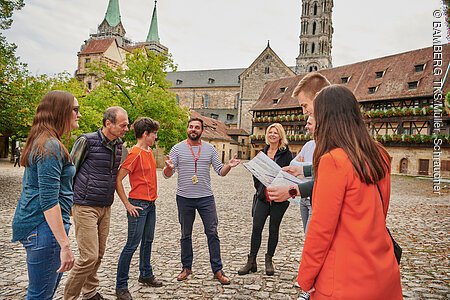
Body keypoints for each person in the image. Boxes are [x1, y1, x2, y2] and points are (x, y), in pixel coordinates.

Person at [300, 85, 403, 298]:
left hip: (345, 277)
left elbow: (321, 230)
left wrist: (306, 277)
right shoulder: (380, 154)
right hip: (381, 269)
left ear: (326, 118)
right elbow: (380, 212)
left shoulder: (333, 161)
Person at [12, 90, 80, 299]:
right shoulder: (50, 146)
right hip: (43, 228)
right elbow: (49, 201)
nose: (79, 114)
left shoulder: (46, 141)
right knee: (40, 295)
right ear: (61, 111)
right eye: (75, 110)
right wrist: (64, 244)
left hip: (40, 227)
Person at [163, 117, 240, 285]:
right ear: (187, 129)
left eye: (197, 127)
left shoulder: (210, 149)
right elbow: (167, 174)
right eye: (190, 127)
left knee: (212, 232)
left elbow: (221, 171)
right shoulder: (177, 149)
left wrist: (230, 165)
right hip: (184, 198)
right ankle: (186, 267)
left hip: (205, 198)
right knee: (185, 234)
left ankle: (217, 270)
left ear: (202, 130)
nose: (193, 129)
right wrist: (168, 168)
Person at [64, 106, 129, 300]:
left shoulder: (119, 146)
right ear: (108, 123)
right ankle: (69, 297)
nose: (127, 128)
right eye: (123, 125)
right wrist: (68, 203)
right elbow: (69, 172)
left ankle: (90, 293)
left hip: (105, 206)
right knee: (88, 257)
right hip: (84, 205)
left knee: (98, 254)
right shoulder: (86, 141)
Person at [115, 117, 162, 300]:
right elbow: (118, 179)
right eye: (154, 134)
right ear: (145, 134)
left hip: (151, 204)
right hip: (139, 205)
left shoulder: (149, 151)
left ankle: (145, 274)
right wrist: (127, 204)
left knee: (148, 240)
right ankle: (121, 286)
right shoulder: (134, 154)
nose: (155, 137)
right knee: (131, 245)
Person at [238, 123, 293, 276]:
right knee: (256, 228)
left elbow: (289, 176)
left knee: (273, 229)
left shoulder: (287, 154)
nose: (272, 135)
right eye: (270, 132)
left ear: (280, 136)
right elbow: (255, 174)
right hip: (263, 198)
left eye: (275, 133)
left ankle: (269, 260)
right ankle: (251, 261)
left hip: (279, 199)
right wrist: (260, 190)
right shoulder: (262, 153)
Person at [290, 116, 316, 233]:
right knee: (306, 236)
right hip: (303, 199)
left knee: (309, 236)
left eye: (309, 124)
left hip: (313, 197)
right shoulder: (308, 145)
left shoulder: (326, 146)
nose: (306, 127)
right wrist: (308, 166)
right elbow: (293, 163)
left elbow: (321, 167)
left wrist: (302, 166)